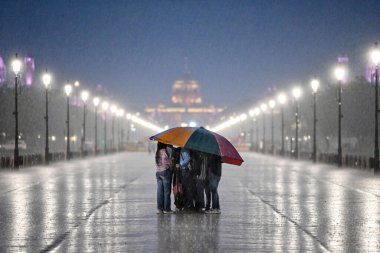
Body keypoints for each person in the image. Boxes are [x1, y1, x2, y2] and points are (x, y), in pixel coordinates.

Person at [155, 142, 173, 214]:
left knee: (160, 191)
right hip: (165, 172)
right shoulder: (164, 151)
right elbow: (165, 161)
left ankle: (160, 208)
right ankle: (167, 208)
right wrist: (169, 166)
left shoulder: (157, 152)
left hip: (158, 172)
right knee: (166, 192)